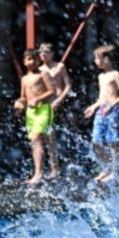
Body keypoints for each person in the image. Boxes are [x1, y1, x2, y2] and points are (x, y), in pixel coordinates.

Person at [83, 44, 119, 183]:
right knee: (96, 141)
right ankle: (106, 167)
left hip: (113, 110)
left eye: (97, 58)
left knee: (112, 142)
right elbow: (102, 98)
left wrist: (113, 105)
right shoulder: (101, 76)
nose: (95, 61)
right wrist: (93, 107)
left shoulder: (115, 74)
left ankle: (114, 171)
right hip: (101, 110)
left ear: (107, 59)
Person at [13, 48, 56, 185]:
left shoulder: (43, 74)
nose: (32, 62)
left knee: (39, 138)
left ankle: (39, 173)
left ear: (39, 61)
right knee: (37, 141)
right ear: (24, 62)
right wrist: (19, 103)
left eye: (35, 59)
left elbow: (52, 91)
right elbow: (23, 96)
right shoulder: (24, 79)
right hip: (31, 112)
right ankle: (52, 169)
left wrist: (38, 99)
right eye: (29, 59)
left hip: (43, 109)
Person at [38, 42, 72, 179]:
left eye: (46, 51)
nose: (43, 54)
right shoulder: (39, 69)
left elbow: (68, 85)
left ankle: (55, 168)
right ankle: (42, 169)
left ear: (52, 53)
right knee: (42, 137)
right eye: (41, 52)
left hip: (57, 103)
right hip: (44, 105)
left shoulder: (59, 67)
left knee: (51, 137)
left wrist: (60, 100)